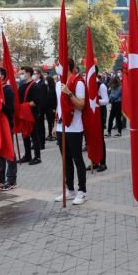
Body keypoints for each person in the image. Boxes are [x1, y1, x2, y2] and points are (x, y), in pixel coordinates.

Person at [53, 58, 88, 205]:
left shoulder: (78, 82)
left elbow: (81, 105)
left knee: (77, 159)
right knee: (65, 160)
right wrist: (55, 125)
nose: (56, 67)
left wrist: (69, 93)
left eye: (58, 64)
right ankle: (70, 189)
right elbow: (58, 107)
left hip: (74, 127)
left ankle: (82, 191)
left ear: (67, 66)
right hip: (62, 127)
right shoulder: (57, 84)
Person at [0, 68, 17, 191]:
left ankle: (11, 179)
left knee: (9, 151)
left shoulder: (8, 90)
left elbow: (11, 110)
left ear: (1, 76)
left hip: (6, 125)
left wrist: (1, 105)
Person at [18, 66, 42, 165]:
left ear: (28, 73)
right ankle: (27, 155)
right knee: (25, 135)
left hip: (32, 115)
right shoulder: (22, 86)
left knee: (34, 136)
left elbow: (36, 102)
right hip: (23, 115)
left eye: (22, 73)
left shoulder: (35, 86)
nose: (21, 75)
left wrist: (24, 106)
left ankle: (37, 156)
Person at [87, 71, 109, 172]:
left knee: (100, 138)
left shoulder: (102, 85)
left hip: (99, 112)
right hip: (90, 113)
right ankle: (94, 162)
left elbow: (106, 100)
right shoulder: (87, 84)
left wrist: (95, 101)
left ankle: (103, 163)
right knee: (91, 138)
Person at [33, 68, 48, 151]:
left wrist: (40, 110)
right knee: (36, 127)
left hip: (40, 109)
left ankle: (42, 143)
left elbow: (42, 99)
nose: (34, 75)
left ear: (39, 74)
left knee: (40, 127)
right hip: (35, 109)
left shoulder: (42, 84)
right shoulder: (35, 83)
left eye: (35, 73)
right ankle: (37, 143)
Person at [45, 75, 57, 142]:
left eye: (46, 80)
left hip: (52, 108)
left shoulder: (53, 88)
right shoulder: (47, 88)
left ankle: (53, 134)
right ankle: (50, 134)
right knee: (49, 122)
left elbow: (54, 99)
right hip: (48, 108)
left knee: (52, 122)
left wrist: (54, 108)